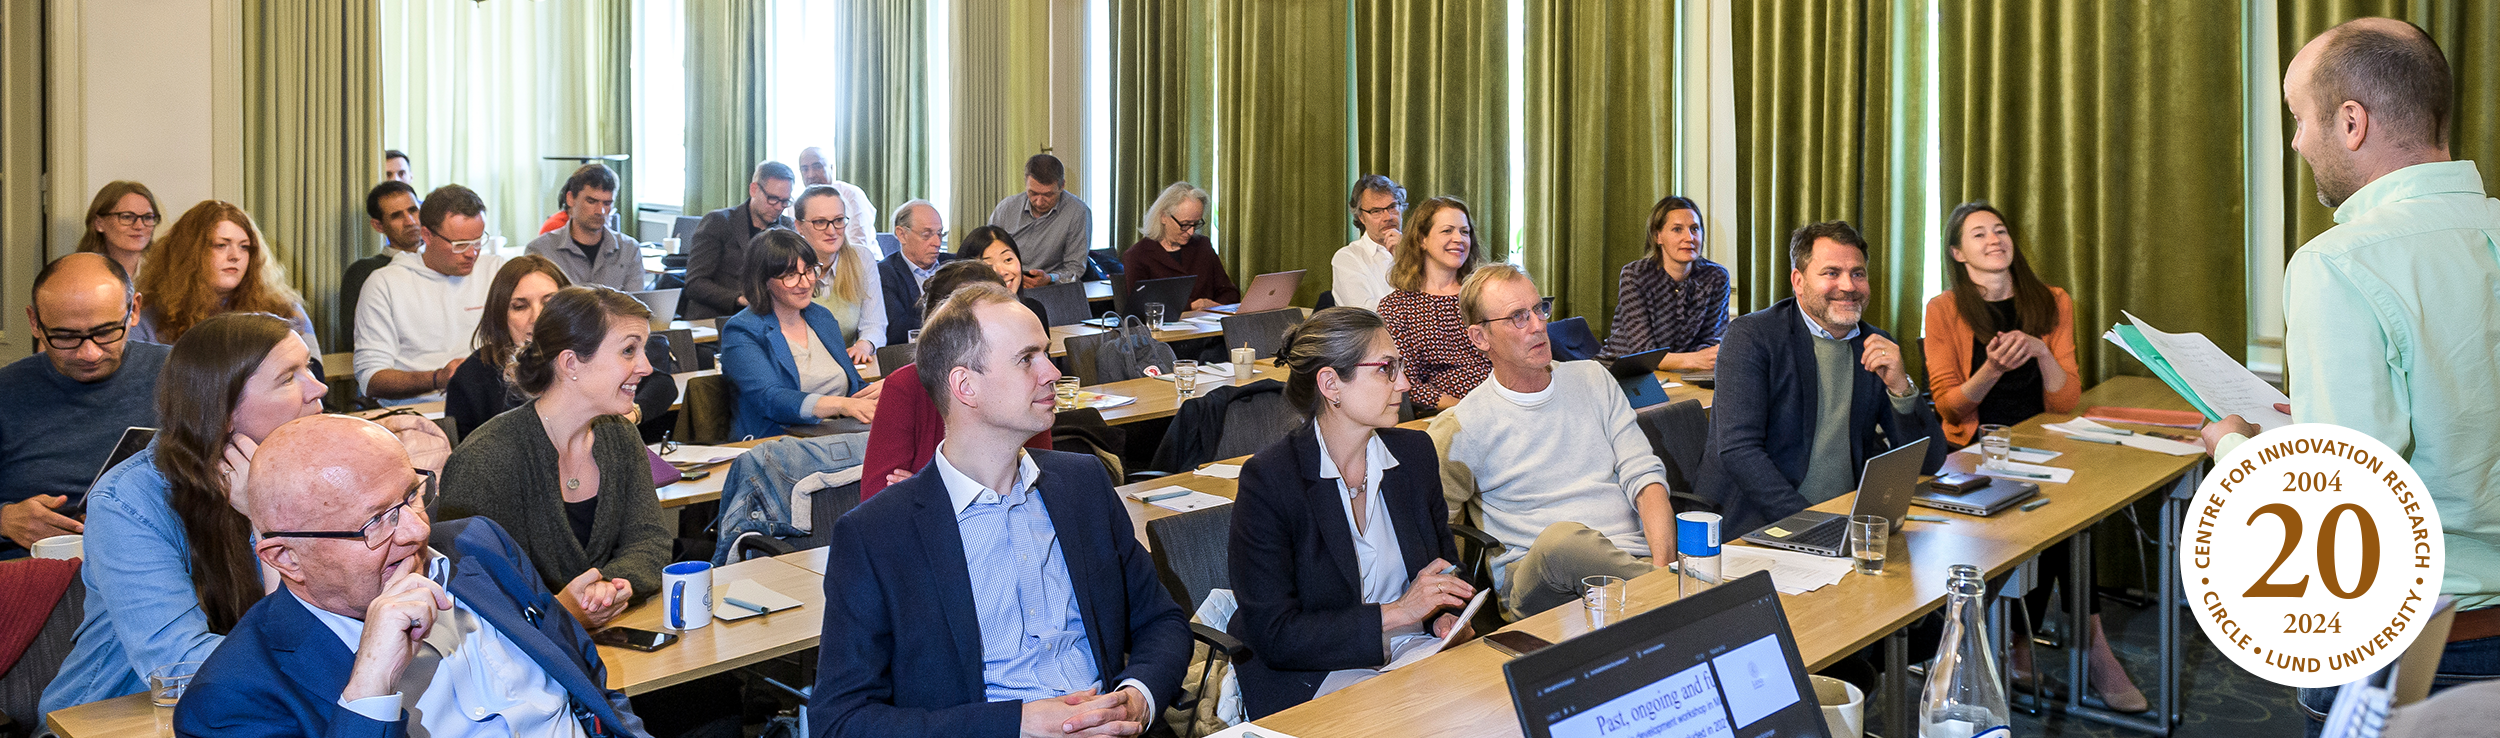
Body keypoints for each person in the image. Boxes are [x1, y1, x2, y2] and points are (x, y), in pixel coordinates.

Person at [2199, 17, 2500, 717]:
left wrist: (2233, 449)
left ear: (2351, 121)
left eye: (2300, 119)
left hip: (2416, 646)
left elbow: (2339, 506)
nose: (2298, 141)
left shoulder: (2338, 263)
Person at [806, 281, 1190, 738]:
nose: (1052, 372)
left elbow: (1161, 621)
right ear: (965, 385)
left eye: (1046, 354)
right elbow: (841, 721)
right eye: (1027, 359)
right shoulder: (876, 534)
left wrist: (1138, 698)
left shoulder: (1082, 484)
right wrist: (1016, 724)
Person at [174, 414, 645, 738]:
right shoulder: (230, 698)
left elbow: (588, 682)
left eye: (413, 494)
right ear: (286, 558)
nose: (419, 530)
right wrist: (370, 686)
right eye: (376, 521)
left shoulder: (479, 545)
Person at [41, 312, 329, 715]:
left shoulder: (316, 470)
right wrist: (265, 519)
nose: (319, 387)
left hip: (266, 706)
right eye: (288, 378)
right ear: (223, 410)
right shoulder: (127, 502)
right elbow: (177, 667)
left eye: (309, 369)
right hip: (118, 715)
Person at [1917, 200, 2131, 708]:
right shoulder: (1944, 309)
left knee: (2068, 516)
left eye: (1999, 230)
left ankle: (2028, 644)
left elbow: (2065, 400)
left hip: (2041, 444)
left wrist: (2038, 351)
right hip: (1974, 451)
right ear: (1957, 253)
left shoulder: (2052, 300)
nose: (1994, 240)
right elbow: (1948, 402)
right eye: (1978, 235)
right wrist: (1990, 369)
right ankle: (2085, 649)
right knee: (2054, 521)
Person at [1230, 307, 1472, 717]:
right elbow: (1276, 634)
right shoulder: (1270, 479)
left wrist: (1442, 617)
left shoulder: (1414, 454)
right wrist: (1398, 613)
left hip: (1413, 652)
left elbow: (1444, 568)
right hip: (1316, 669)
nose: (1406, 383)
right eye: (1385, 369)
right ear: (1330, 384)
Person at [1427, 265, 1675, 617]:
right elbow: (1440, 532)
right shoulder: (1460, 427)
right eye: (1517, 317)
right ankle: (1681, 598)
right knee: (1563, 542)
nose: (1538, 325)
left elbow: (1646, 478)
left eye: (1539, 308)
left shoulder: (1593, 379)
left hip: (1632, 562)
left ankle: (1663, 594)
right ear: (1480, 338)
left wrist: (1663, 567)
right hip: (1538, 581)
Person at [439, 286, 669, 631]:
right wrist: (557, 611)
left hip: (613, 630)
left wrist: (608, 588)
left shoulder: (619, 435)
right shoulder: (485, 460)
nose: (646, 367)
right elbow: (472, 592)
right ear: (570, 363)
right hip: (521, 660)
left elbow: (649, 539)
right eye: (629, 351)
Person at [1697, 220, 1946, 533]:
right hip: (1760, 524)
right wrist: (1814, 525)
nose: (1848, 286)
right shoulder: (1753, 336)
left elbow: (1929, 462)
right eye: (1831, 273)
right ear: (1798, 282)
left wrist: (1901, 388)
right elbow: (1739, 452)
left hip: (1845, 517)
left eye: (1858, 273)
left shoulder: (1874, 345)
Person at [1, 254, 167, 556]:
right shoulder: (6, 392)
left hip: (154, 554)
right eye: (65, 337)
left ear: (134, 311)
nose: (89, 353)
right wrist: (4, 519)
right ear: (34, 322)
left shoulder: (182, 376)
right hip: (36, 569)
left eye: (105, 333)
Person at [859, 261, 1051, 498]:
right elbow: (879, 497)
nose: (1052, 373)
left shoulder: (1024, 390)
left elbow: (1040, 487)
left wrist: (928, 491)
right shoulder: (905, 386)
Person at [442, 255, 679, 438]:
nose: (537, 317)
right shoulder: (472, 376)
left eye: (549, 302)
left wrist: (631, 415)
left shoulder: (591, 354)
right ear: (500, 315)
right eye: (520, 306)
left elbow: (661, 384)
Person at [719, 229, 879, 440]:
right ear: (763, 280)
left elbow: (854, 388)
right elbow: (771, 399)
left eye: (809, 270)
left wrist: (885, 390)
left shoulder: (820, 316)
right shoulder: (742, 330)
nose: (805, 283)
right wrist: (842, 405)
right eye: (791, 275)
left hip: (839, 435)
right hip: (777, 441)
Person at [355, 184, 506, 404]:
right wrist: (437, 378)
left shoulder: (496, 271)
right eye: (460, 244)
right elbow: (370, 379)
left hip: (490, 405)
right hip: (420, 410)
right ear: (427, 235)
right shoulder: (385, 283)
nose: (472, 253)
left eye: (477, 241)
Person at [130, 201, 319, 351]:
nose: (235, 256)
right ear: (189, 254)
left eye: (244, 247)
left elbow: (313, 380)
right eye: (221, 245)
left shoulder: (284, 311)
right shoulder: (147, 317)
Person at [1377, 196, 1493, 411]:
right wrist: (1466, 410)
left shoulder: (1485, 294)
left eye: (1464, 231)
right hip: (1444, 415)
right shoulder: (1396, 307)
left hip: (1504, 402)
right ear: (1422, 240)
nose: (1459, 239)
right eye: (1447, 231)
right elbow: (1406, 383)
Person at [1599, 195, 1729, 368]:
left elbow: (1711, 340)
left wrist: (1700, 359)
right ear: (1657, 236)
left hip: (1683, 373)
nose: (1689, 238)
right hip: (1623, 372)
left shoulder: (1716, 276)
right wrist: (1694, 359)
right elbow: (1643, 353)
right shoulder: (1635, 275)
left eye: (1695, 229)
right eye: (1677, 229)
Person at [684, 161, 798, 319]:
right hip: (717, 319)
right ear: (754, 189)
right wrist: (739, 299)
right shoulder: (719, 222)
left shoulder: (787, 228)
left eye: (785, 201)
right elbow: (694, 284)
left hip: (768, 319)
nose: (779, 207)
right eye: (772, 199)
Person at [795, 184, 890, 362]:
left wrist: (864, 345)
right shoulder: (787, 265)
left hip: (849, 366)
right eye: (820, 222)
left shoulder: (861, 258)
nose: (831, 231)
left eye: (838, 220)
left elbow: (875, 324)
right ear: (799, 226)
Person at [525, 162, 646, 292]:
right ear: (570, 199)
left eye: (607, 203)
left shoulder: (629, 249)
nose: (600, 211)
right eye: (591, 201)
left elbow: (636, 307)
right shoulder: (541, 250)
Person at [1121, 181, 1240, 310]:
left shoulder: (1202, 245)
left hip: (1208, 326)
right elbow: (1141, 308)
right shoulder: (1137, 255)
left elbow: (1229, 292)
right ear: (1163, 217)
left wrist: (1216, 309)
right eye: (1185, 224)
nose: (1191, 231)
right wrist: (1191, 306)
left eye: (1195, 224)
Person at [985, 152, 1096, 287]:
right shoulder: (1006, 208)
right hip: (1006, 283)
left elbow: (1075, 269)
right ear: (1026, 182)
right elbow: (987, 252)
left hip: (1050, 287)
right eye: (1033, 193)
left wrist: (1050, 278)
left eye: (1048, 194)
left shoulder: (1077, 213)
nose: (1039, 201)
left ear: (1062, 186)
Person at [342, 181, 424, 340]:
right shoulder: (362, 272)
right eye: (396, 216)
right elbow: (353, 338)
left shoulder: (444, 262)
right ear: (378, 226)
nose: (410, 221)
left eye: (413, 211)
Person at [879, 199, 954, 346]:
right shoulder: (885, 273)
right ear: (901, 234)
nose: (937, 243)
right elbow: (898, 329)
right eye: (926, 234)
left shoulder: (955, 264)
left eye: (939, 233)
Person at [1330, 175, 1405, 311]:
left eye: (1392, 207)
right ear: (1361, 217)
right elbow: (1365, 312)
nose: (1388, 217)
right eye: (1376, 211)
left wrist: (1407, 253)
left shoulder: (1424, 250)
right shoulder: (1347, 257)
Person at [954, 225, 1055, 323]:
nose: (1002, 272)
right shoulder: (961, 321)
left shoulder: (1033, 310)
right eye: (988, 266)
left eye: (1008, 259)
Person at [796, 145, 882, 253]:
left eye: (817, 166)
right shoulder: (798, 203)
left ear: (831, 168)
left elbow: (859, 244)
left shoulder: (851, 195)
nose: (811, 175)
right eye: (804, 169)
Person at [76, 180, 162, 280]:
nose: (139, 226)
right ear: (99, 223)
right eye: (127, 217)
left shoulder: (167, 273)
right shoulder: (79, 274)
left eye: (148, 217)